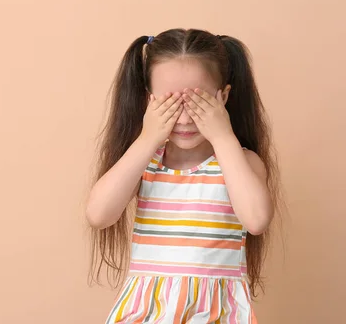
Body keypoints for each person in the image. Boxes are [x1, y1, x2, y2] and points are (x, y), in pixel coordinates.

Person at [86, 29, 281, 323]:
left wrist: (224, 137)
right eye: (170, 104)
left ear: (223, 97)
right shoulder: (145, 163)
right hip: (146, 314)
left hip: (214, 314)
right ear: (149, 101)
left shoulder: (240, 163)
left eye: (199, 103)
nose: (185, 118)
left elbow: (256, 220)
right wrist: (147, 139)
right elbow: (99, 215)